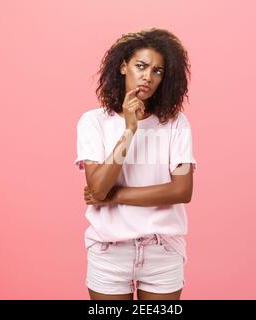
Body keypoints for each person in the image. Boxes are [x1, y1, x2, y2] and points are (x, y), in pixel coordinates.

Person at [75, 27, 197, 300]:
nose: (148, 76)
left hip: (162, 251)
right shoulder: (94, 122)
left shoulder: (175, 123)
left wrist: (112, 197)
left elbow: (182, 191)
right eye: (141, 66)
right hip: (109, 251)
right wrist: (129, 130)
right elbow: (97, 185)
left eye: (158, 71)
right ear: (122, 66)